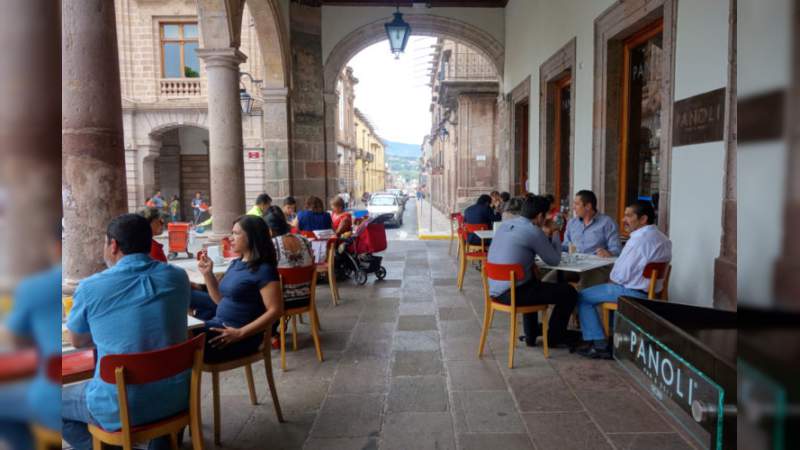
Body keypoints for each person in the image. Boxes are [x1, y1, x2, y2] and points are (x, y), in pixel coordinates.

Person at [63, 214, 191, 450]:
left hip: (120, 405)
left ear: (113, 245)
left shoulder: (90, 287)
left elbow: (78, 341)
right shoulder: (178, 277)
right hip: (177, 397)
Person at [575, 200, 671, 359]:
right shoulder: (663, 238)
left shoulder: (638, 240)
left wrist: (611, 279)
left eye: (628, 216)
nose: (623, 219)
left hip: (632, 293)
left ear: (643, 219)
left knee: (582, 296)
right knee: (604, 290)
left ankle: (599, 345)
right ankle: (616, 339)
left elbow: (621, 274)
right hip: (652, 292)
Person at [487, 195, 578, 347]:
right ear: (540, 216)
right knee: (568, 292)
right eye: (546, 216)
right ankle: (555, 338)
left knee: (532, 282)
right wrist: (555, 232)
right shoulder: (534, 231)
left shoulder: (505, 225)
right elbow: (554, 260)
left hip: (496, 291)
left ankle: (531, 335)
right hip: (514, 293)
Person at [0, 225, 61, 449]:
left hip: (51, 399)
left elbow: (16, 339)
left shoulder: (33, 287)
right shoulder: (172, 277)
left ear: (55, 248)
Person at [191, 215, 283, 363]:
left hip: (238, 338)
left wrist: (240, 333)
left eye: (236, 233)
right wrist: (208, 274)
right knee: (176, 332)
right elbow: (219, 300)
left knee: (179, 337)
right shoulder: (236, 264)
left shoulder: (264, 270)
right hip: (219, 327)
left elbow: (276, 310)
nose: (230, 238)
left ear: (252, 236)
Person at [544, 190, 622, 289]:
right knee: (547, 282)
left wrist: (608, 253)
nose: (573, 207)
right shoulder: (572, 223)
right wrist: (549, 241)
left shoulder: (607, 223)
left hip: (596, 268)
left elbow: (617, 250)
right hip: (573, 265)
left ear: (588, 206)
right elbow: (565, 247)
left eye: (577, 204)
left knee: (582, 290)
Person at [265, 207, 314, 346]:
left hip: (281, 304)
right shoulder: (304, 240)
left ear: (269, 230)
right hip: (305, 298)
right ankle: (272, 332)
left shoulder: (271, 245)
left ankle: (268, 333)